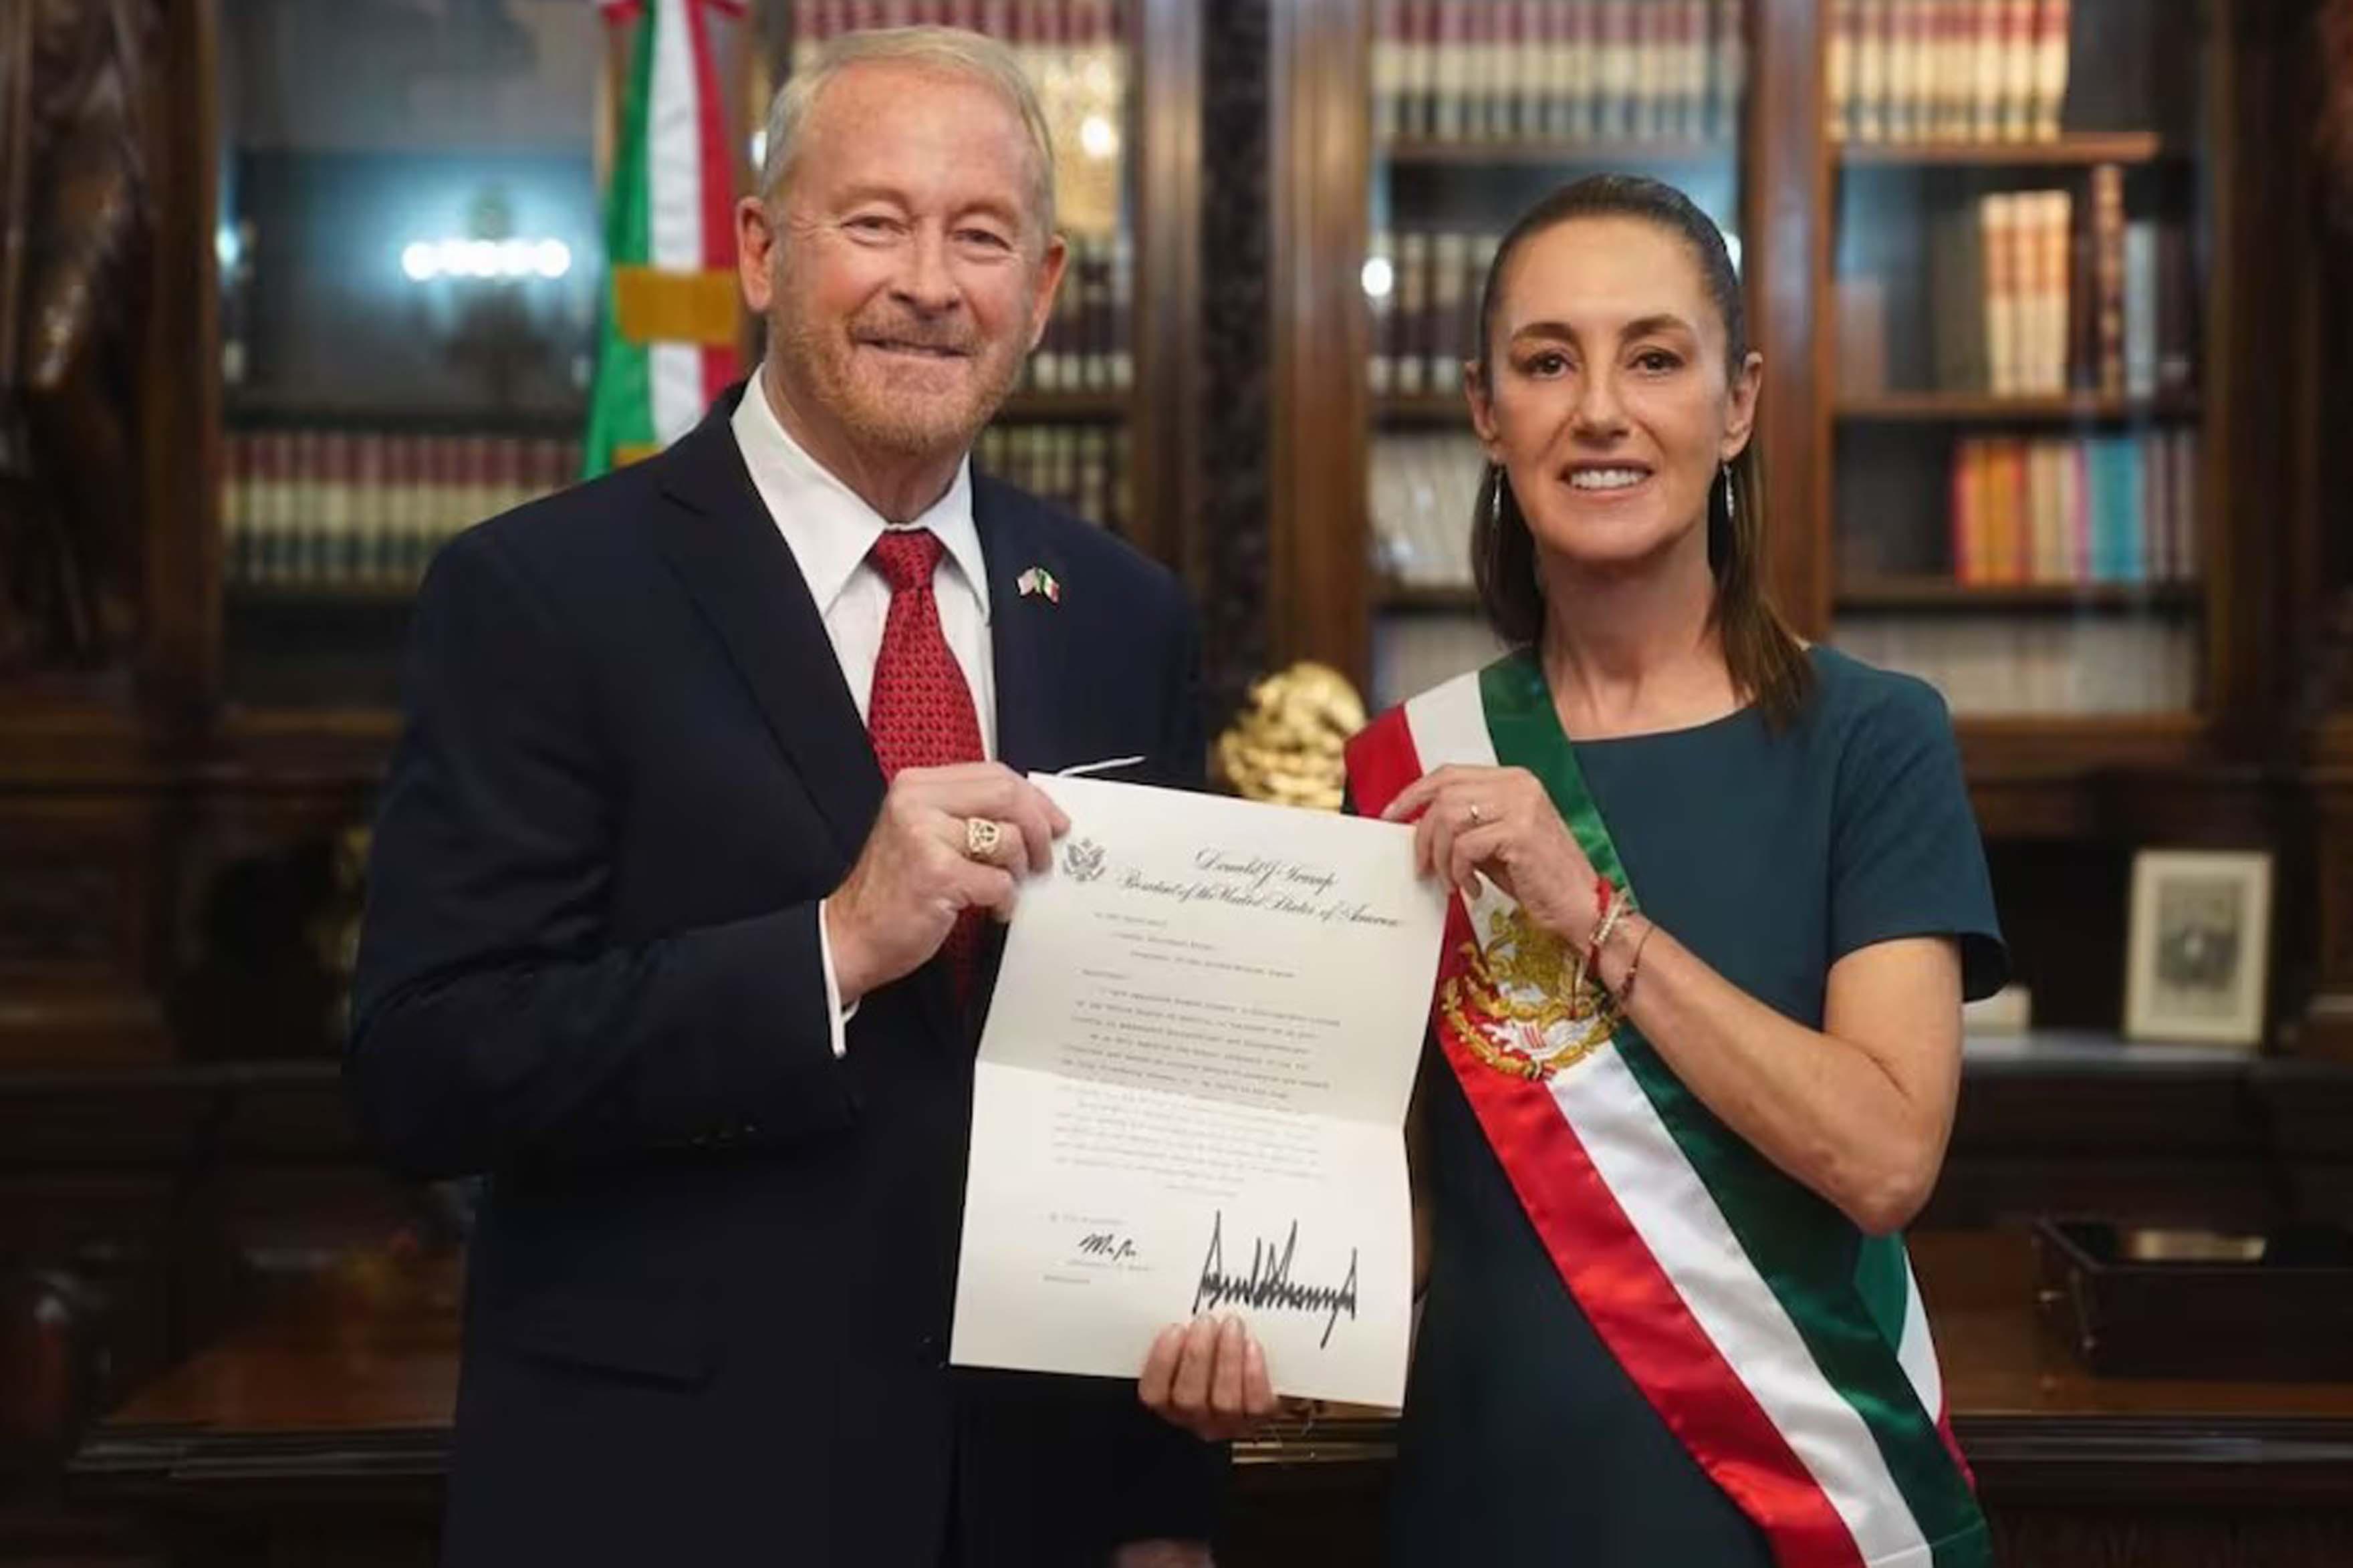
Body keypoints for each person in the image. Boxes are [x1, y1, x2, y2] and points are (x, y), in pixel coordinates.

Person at [348, 27, 1221, 1568]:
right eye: (875, 222)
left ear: (1043, 289)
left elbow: (1154, 1081)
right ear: (759, 250)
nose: (929, 285)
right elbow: (425, 1069)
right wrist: (829, 948)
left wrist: (1161, 1505)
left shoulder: (1121, 613)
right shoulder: (542, 594)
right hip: (672, 1501)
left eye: (980, 237)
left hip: (1034, 1507)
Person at [1150, 174, 2006, 1567]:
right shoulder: (1403, 769)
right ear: (1487, 413)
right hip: (1489, 1501)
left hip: (1792, 1520)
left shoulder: (1873, 739)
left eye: (1653, 359)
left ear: (1736, 404)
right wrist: (1252, 1324)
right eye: (1547, 363)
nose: (1599, 410)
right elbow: (1402, 1211)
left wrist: (1593, 914)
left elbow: (1885, 1157)